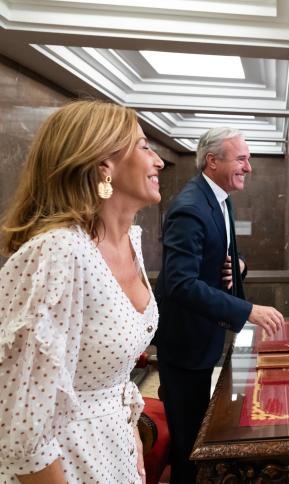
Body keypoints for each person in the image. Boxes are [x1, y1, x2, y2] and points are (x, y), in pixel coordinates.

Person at [0, 99, 164, 483]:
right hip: (66, 463)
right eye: (143, 146)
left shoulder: (131, 243)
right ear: (103, 165)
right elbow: (20, 427)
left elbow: (109, 374)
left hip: (112, 450)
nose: (158, 161)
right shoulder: (57, 253)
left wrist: (128, 429)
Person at [154, 127, 285, 483]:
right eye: (242, 158)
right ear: (213, 160)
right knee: (190, 445)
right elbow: (180, 284)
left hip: (206, 338)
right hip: (185, 347)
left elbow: (223, 252)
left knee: (201, 431)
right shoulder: (189, 208)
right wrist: (248, 311)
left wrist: (239, 264)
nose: (249, 167)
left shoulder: (221, 198)